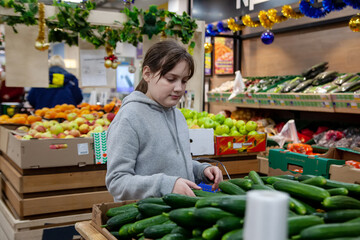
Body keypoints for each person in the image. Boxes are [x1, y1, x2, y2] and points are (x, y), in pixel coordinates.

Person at [106, 40, 223, 201]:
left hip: (176, 214)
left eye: (183, 80)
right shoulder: (129, 118)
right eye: (170, 79)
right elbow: (117, 182)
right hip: (145, 220)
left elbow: (172, 165)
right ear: (147, 74)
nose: (179, 88)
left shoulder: (178, 116)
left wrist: (200, 171)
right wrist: (166, 185)